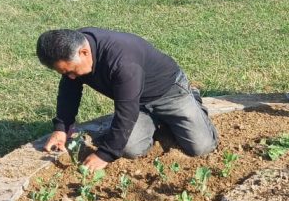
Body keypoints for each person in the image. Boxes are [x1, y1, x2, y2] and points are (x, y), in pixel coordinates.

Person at [36, 28, 219, 170]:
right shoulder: (72, 48)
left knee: (201, 147)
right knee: (129, 149)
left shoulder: (123, 61)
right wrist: (62, 128)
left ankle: (192, 100)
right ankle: (156, 120)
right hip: (136, 101)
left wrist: (104, 155)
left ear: (84, 52)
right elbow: (70, 90)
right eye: (64, 73)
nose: (71, 77)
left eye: (71, 71)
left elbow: (126, 111)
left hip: (169, 93)